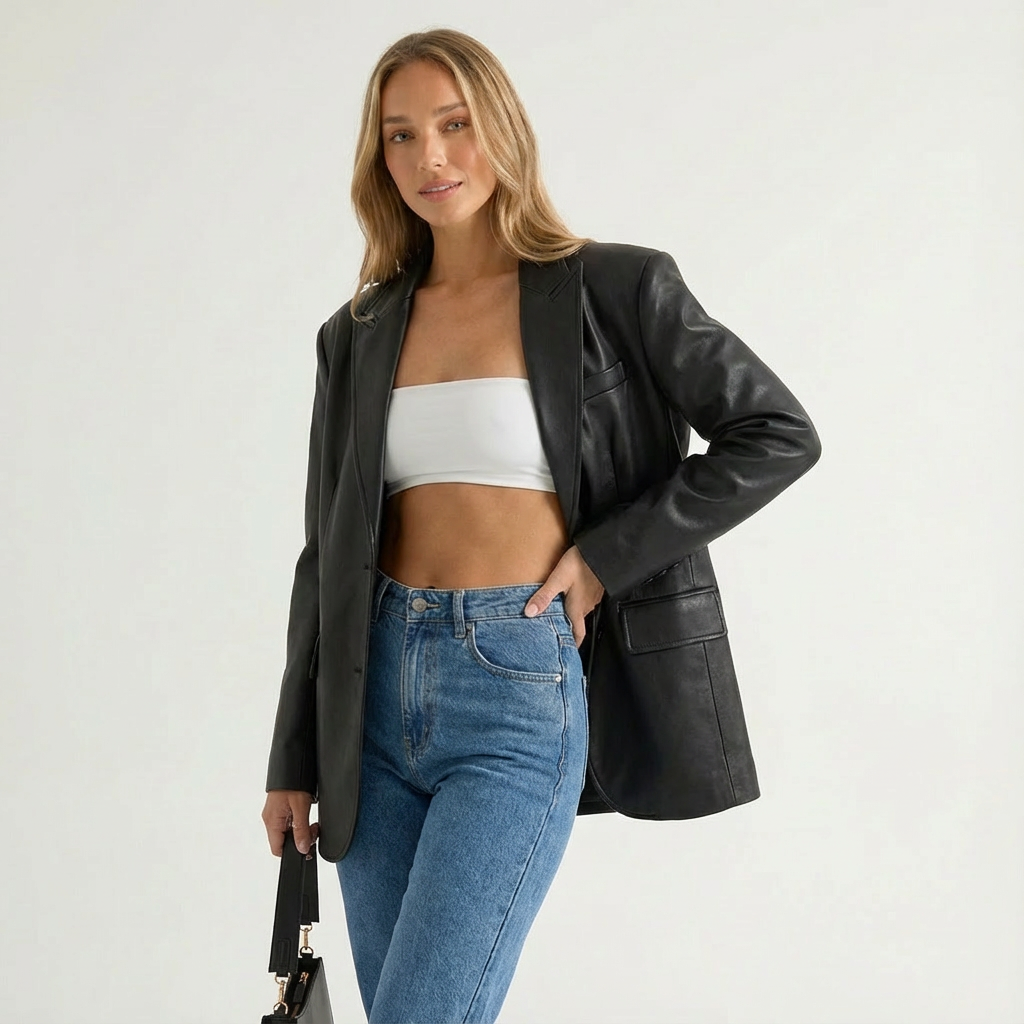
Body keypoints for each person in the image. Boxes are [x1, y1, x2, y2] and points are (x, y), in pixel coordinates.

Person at [261, 26, 821, 1024]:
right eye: (400, 135)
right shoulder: (356, 333)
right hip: (368, 697)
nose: (430, 158)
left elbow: (775, 432)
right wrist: (291, 756)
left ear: (504, 128)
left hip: (513, 683)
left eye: (454, 125)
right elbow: (325, 552)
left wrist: (605, 558)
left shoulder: (616, 288)